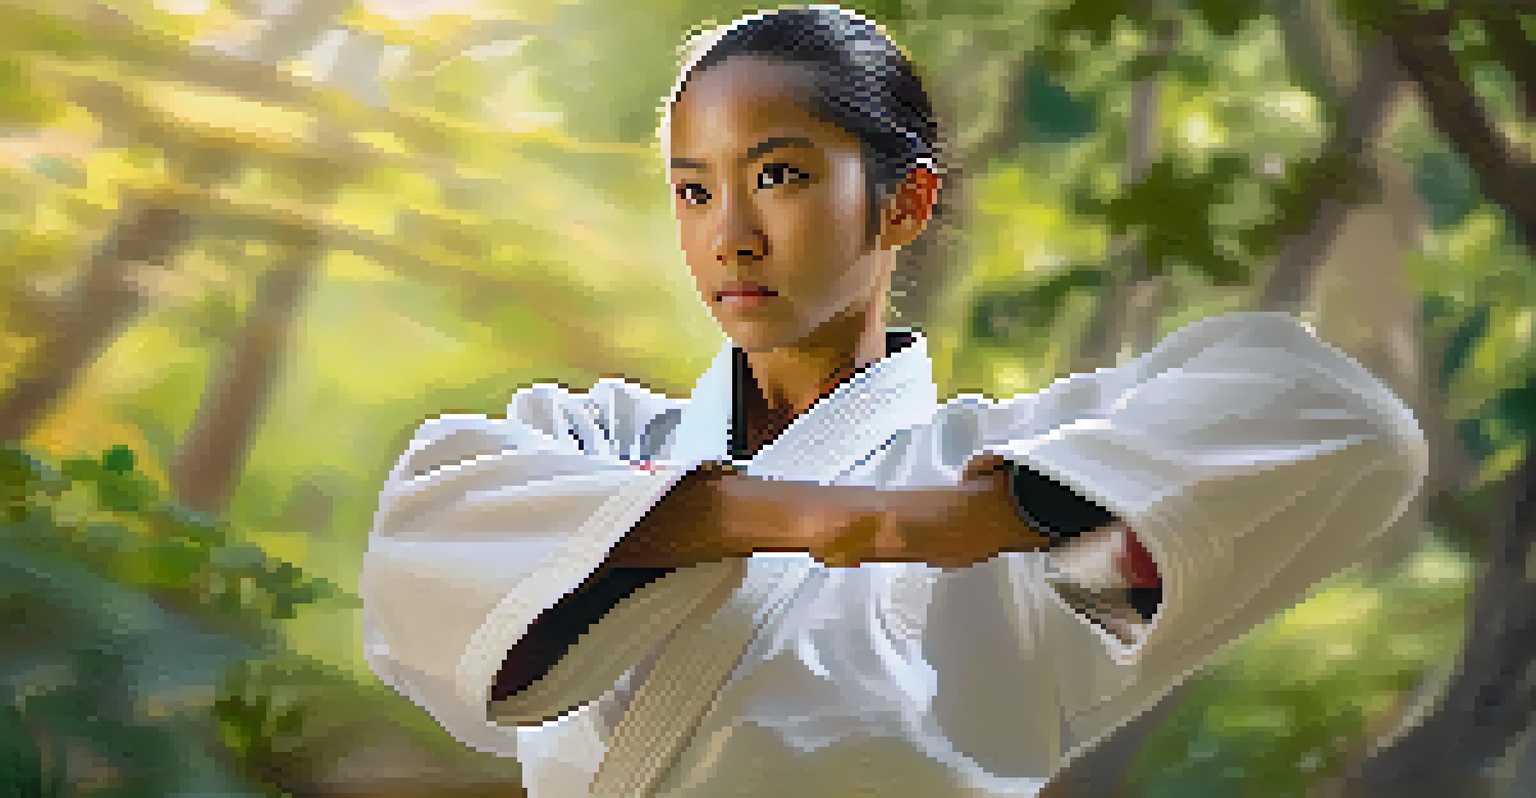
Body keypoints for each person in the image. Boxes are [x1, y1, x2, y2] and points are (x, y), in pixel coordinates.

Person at [358, 6, 1428, 796]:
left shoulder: (1023, 532)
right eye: (695, 190)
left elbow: (1347, 421)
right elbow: (428, 537)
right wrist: (836, 520)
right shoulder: (604, 440)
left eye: (778, 176)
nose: (729, 233)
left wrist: (986, 514)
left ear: (905, 200)